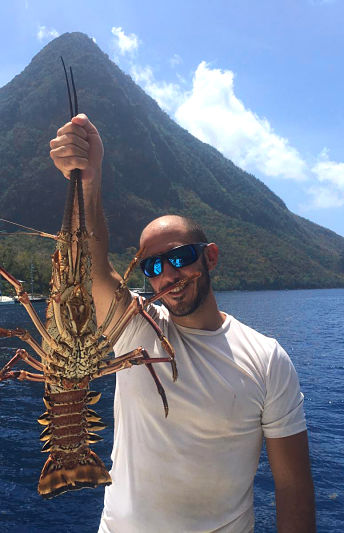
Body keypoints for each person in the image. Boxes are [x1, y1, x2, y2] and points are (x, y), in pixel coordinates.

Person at [49, 114, 316, 533]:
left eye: (178, 257)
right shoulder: (138, 327)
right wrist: (89, 179)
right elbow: (92, 269)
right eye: (152, 267)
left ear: (209, 257)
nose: (166, 275)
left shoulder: (267, 359)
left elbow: (293, 486)